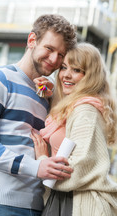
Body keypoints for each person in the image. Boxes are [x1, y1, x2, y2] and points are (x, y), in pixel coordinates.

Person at [0, 14, 77, 216]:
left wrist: (57, 97)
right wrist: (35, 167)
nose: (54, 60)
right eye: (49, 49)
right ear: (32, 40)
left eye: (61, 55)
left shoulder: (46, 97)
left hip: (35, 207)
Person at [31, 42, 117, 216]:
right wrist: (51, 95)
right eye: (63, 68)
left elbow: (77, 169)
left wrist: (42, 160)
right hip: (65, 200)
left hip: (82, 203)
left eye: (76, 70)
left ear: (90, 76)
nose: (66, 75)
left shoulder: (85, 110)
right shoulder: (73, 107)